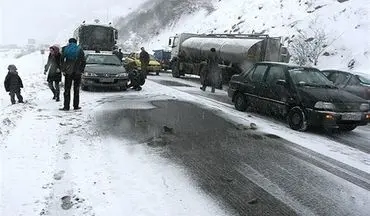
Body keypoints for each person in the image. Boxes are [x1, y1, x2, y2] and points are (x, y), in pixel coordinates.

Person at [60, 38, 86, 111]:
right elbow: (83, 61)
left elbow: (61, 60)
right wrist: (81, 70)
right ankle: (76, 106)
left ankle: (66, 106)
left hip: (68, 71)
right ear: (76, 42)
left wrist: (63, 69)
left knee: (67, 90)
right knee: (76, 89)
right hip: (77, 72)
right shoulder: (79, 49)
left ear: (69, 42)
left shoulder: (65, 48)